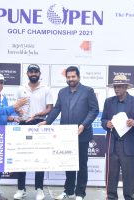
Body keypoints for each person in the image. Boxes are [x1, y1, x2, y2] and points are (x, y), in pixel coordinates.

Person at [39, 66, 99, 200]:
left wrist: (84, 125)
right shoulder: (62, 92)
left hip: (82, 134)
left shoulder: (88, 91)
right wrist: (46, 122)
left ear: (78, 77)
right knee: (68, 163)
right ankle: (69, 191)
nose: (71, 79)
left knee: (82, 164)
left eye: (73, 76)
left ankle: (80, 193)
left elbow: (94, 110)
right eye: (68, 77)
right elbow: (56, 109)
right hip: (65, 135)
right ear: (66, 78)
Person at [101, 74, 134, 200]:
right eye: (115, 87)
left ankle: (129, 197)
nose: (116, 89)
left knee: (129, 175)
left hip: (129, 145)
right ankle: (111, 197)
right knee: (111, 175)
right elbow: (103, 119)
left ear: (126, 87)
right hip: (112, 144)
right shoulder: (108, 102)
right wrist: (106, 124)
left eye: (120, 87)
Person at [13, 64, 53, 200]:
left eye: (36, 71)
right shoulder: (21, 89)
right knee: (21, 158)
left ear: (39, 73)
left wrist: (36, 115)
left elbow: (49, 109)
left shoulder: (46, 89)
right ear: (27, 73)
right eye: (31, 71)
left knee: (39, 158)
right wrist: (19, 111)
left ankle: (39, 190)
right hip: (23, 123)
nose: (33, 73)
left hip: (39, 124)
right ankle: (21, 189)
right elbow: (17, 106)